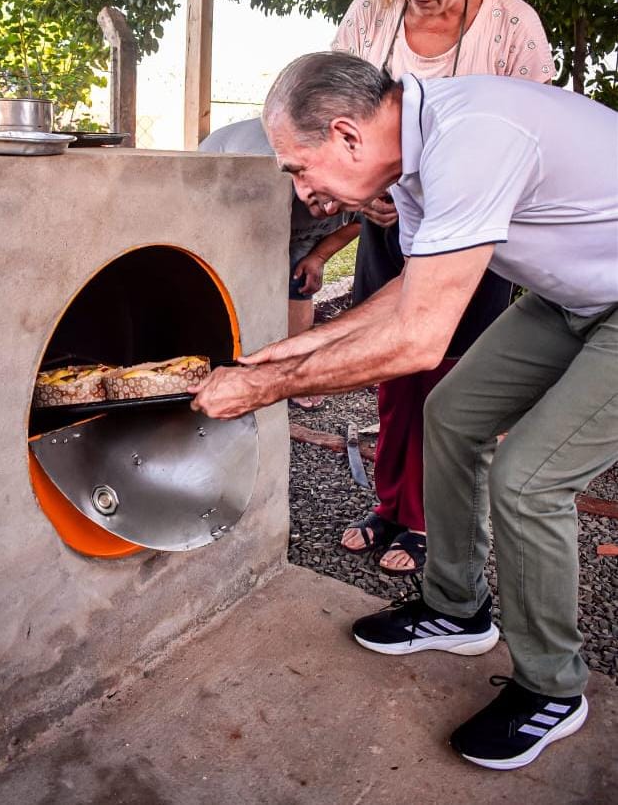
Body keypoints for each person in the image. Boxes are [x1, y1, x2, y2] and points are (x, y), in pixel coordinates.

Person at [189, 52, 618, 770]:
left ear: (347, 135)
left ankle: (552, 686)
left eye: (300, 168)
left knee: (528, 478)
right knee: (449, 415)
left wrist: (265, 390)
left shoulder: (472, 138)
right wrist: (293, 353)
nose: (305, 191)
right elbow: (408, 294)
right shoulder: (411, 157)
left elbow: (421, 339)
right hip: (571, 296)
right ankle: (457, 608)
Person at [332, 0, 554, 574]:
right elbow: (341, 115)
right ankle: (389, 502)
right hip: (390, 219)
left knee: (453, 374)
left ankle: (431, 518)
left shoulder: (514, 27)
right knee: (392, 369)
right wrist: (359, 191)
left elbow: (533, 137)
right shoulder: (370, 14)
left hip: (472, 232)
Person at [199, 117, 359, 409]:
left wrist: (318, 257)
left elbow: (359, 223)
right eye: (323, 200)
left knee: (300, 279)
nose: (331, 209)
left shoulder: (364, 180)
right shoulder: (270, 176)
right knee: (240, 289)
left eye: (340, 202)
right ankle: (228, 365)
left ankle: (292, 374)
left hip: (297, 228)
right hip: (231, 203)